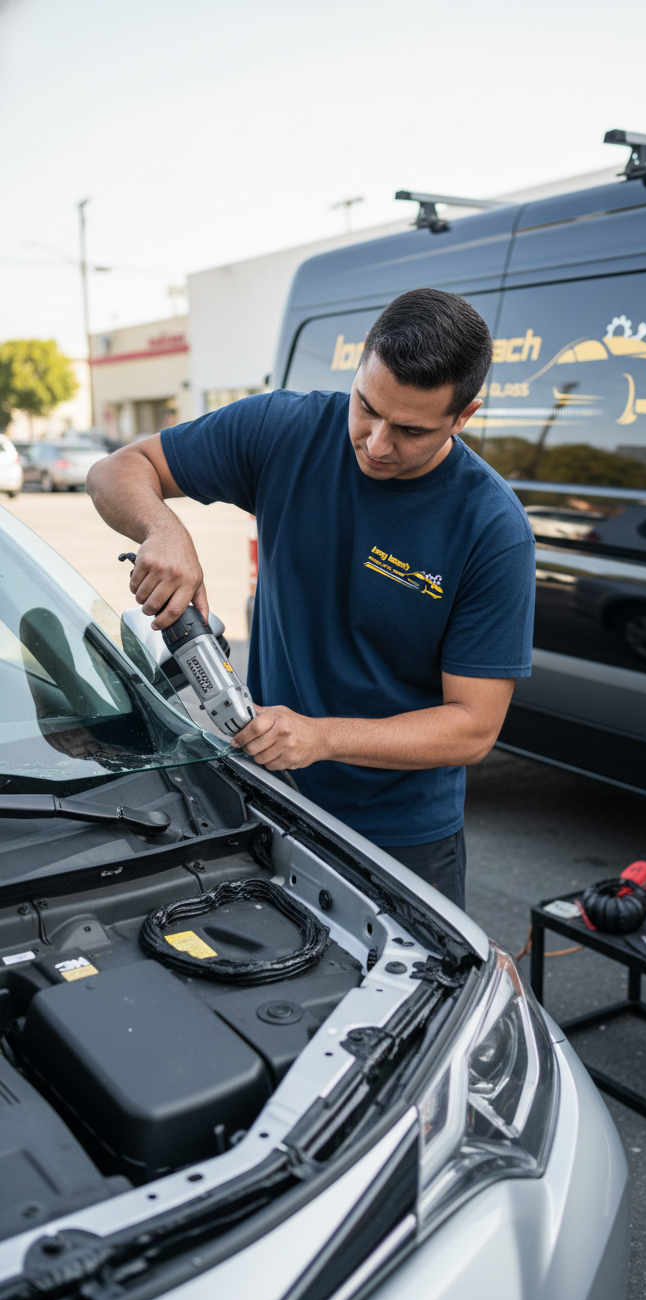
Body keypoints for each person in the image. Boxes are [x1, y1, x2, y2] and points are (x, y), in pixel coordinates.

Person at [87, 288, 535, 908]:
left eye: (410, 430)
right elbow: (113, 471)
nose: (377, 444)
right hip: (265, 797)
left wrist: (323, 738)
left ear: (464, 416)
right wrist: (163, 529)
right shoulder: (286, 430)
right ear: (357, 372)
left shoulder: (491, 527)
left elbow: (472, 729)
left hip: (398, 839)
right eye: (367, 407)